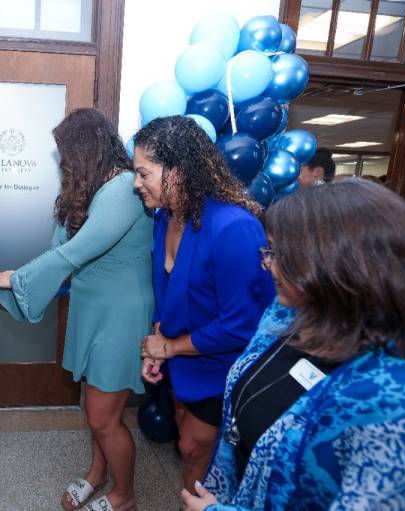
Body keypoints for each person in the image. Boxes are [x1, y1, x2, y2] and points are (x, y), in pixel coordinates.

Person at [181, 179, 405, 510]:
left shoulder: (403, 408)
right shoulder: (288, 312)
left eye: (276, 253)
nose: (265, 263)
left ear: (335, 263)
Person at [0, 108, 153, 511]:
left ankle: (124, 496)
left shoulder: (125, 188)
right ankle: (97, 473)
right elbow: (57, 251)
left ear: (85, 149)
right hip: (90, 308)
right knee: (93, 403)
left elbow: (77, 252)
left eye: (65, 152)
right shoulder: (88, 190)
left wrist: (18, 280)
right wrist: (11, 279)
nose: (62, 161)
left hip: (121, 313)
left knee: (102, 415)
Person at [133, 116, 275, 493]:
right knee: (188, 445)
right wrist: (158, 342)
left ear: (177, 171)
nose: (137, 184)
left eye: (143, 173)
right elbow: (167, 293)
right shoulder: (165, 217)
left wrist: (169, 347)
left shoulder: (234, 228)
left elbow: (243, 325)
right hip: (183, 363)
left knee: (197, 454)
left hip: (221, 370)